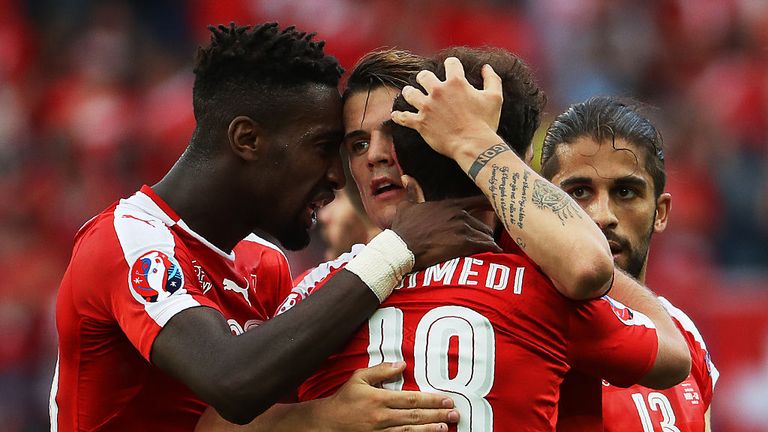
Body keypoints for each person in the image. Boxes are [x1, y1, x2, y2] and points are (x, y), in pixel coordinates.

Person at [51, 22, 500, 431]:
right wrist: (396, 249)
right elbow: (231, 381)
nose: (338, 176)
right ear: (247, 140)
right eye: (324, 148)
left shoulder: (264, 267)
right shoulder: (128, 241)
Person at [274, 47, 691, 431]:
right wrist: (322, 417)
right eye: (357, 143)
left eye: (394, 133)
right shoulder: (544, 289)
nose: (376, 156)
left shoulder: (315, 289)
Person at [540, 96, 718, 431]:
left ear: (660, 213)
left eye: (625, 192)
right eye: (579, 192)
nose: (601, 216)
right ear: (544, 204)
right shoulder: (519, 322)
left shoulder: (684, 333)